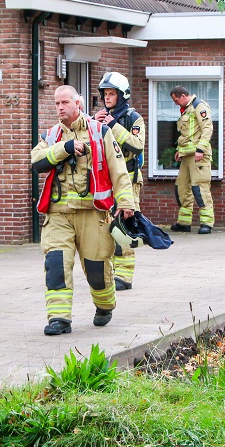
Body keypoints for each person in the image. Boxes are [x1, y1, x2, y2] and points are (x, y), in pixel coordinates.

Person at [31, 85, 135, 336]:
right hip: (58, 214)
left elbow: (118, 171)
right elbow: (37, 162)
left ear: (78, 103)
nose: (60, 108)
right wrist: (64, 148)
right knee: (56, 264)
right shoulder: (52, 134)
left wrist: (126, 204)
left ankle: (104, 305)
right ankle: (59, 318)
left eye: (65, 102)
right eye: (56, 104)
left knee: (97, 270)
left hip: (93, 213)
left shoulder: (100, 132)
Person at [93, 72, 145, 291]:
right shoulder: (100, 117)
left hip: (129, 181)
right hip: (107, 182)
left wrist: (113, 125)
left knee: (124, 226)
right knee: (105, 227)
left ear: (122, 95)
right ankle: (109, 273)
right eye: (105, 94)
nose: (107, 98)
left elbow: (137, 145)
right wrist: (93, 126)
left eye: (112, 93)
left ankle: (124, 276)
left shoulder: (134, 119)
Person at [170, 85, 214, 234]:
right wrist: (179, 150)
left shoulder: (198, 106)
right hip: (186, 155)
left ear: (183, 96)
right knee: (181, 188)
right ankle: (184, 222)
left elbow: (207, 128)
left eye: (176, 100)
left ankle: (207, 223)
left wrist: (201, 148)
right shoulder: (185, 110)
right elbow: (186, 134)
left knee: (200, 188)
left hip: (198, 156)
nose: (176, 103)